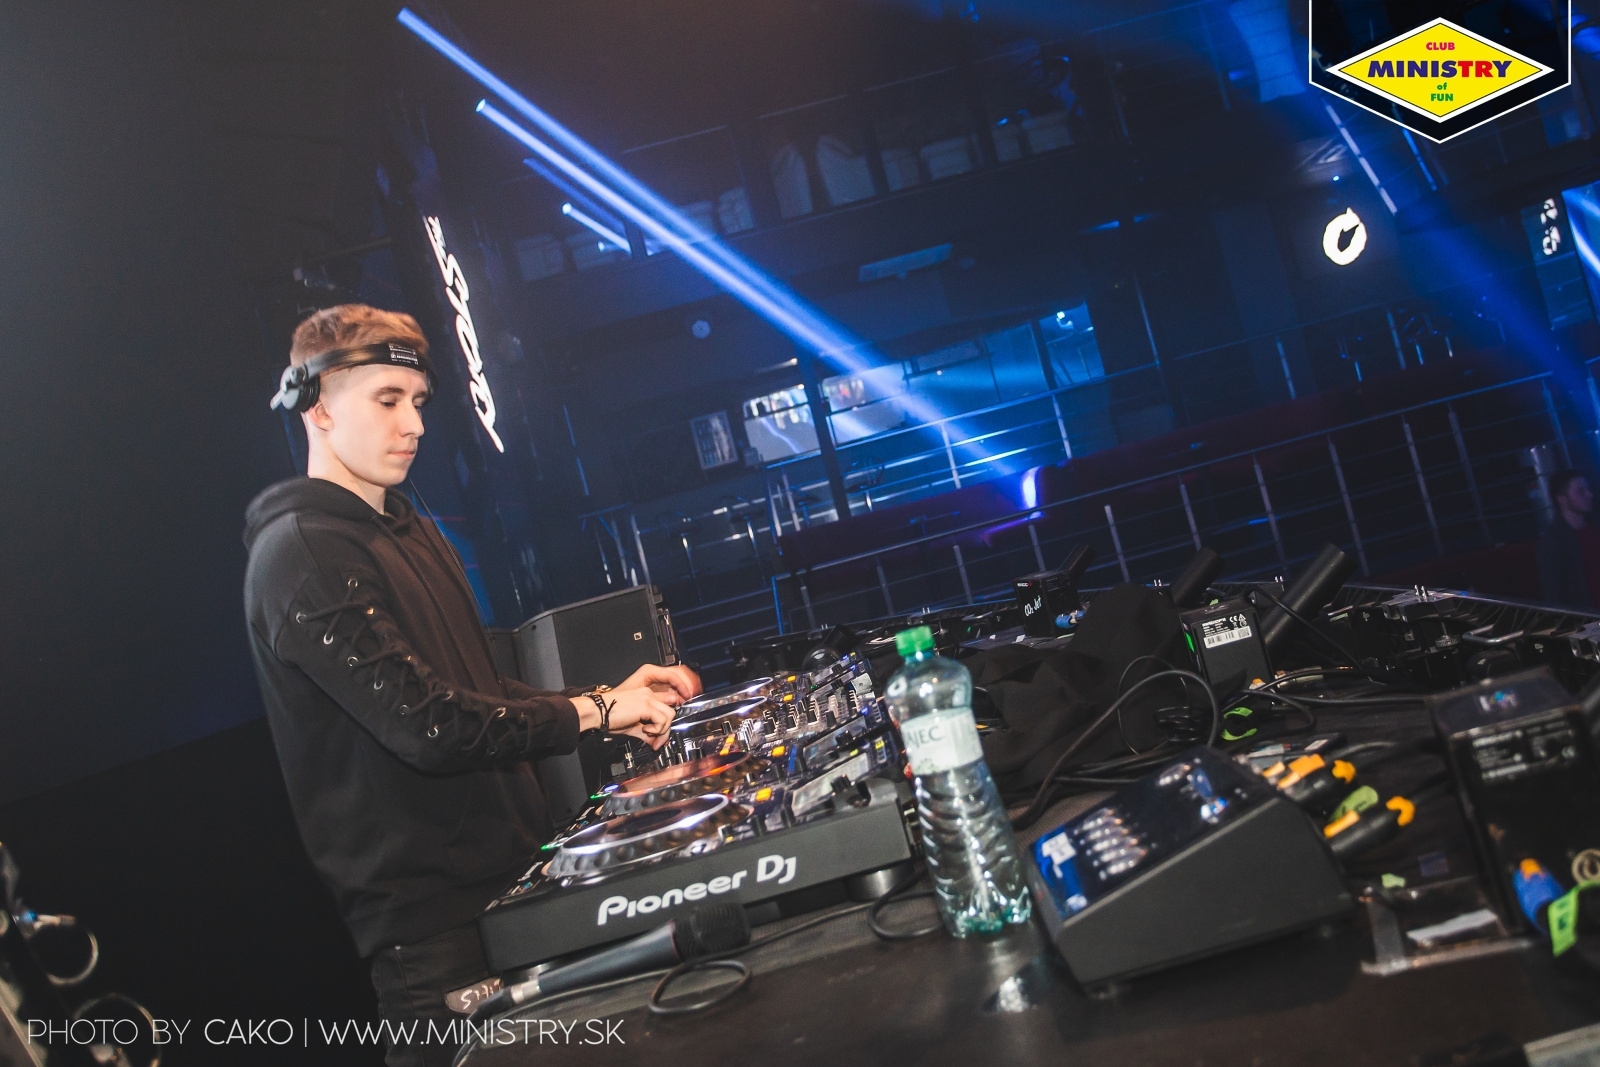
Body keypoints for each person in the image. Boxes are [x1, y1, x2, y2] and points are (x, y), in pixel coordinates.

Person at [242, 304, 699, 1066]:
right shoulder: (301, 555)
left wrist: (607, 701)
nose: (414, 424)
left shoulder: (414, 531)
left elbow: (475, 690)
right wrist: (593, 711)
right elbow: (429, 725)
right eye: (387, 400)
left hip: (514, 889)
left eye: (418, 401)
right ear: (317, 406)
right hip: (433, 938)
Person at [1536, 468, 1599, 609]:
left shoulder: (1595, 529)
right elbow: (1554, 594)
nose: (1590, 494)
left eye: (1588, 489)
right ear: (1562, 499)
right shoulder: (1553, 543)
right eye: (1580, 491)